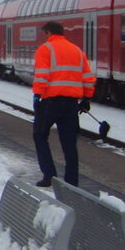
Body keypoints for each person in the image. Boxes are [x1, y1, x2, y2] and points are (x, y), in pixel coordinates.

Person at [32, 21, 95, 187]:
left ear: (48, 33)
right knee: (69, 144)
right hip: (71, 104)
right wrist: (87, 98)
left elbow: (42, 75)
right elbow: (88, 77)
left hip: (50, 102)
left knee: (40, 135)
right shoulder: (77, 50)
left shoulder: (45, 49)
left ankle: (49, 176)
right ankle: (71, 182)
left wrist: (37, 95)